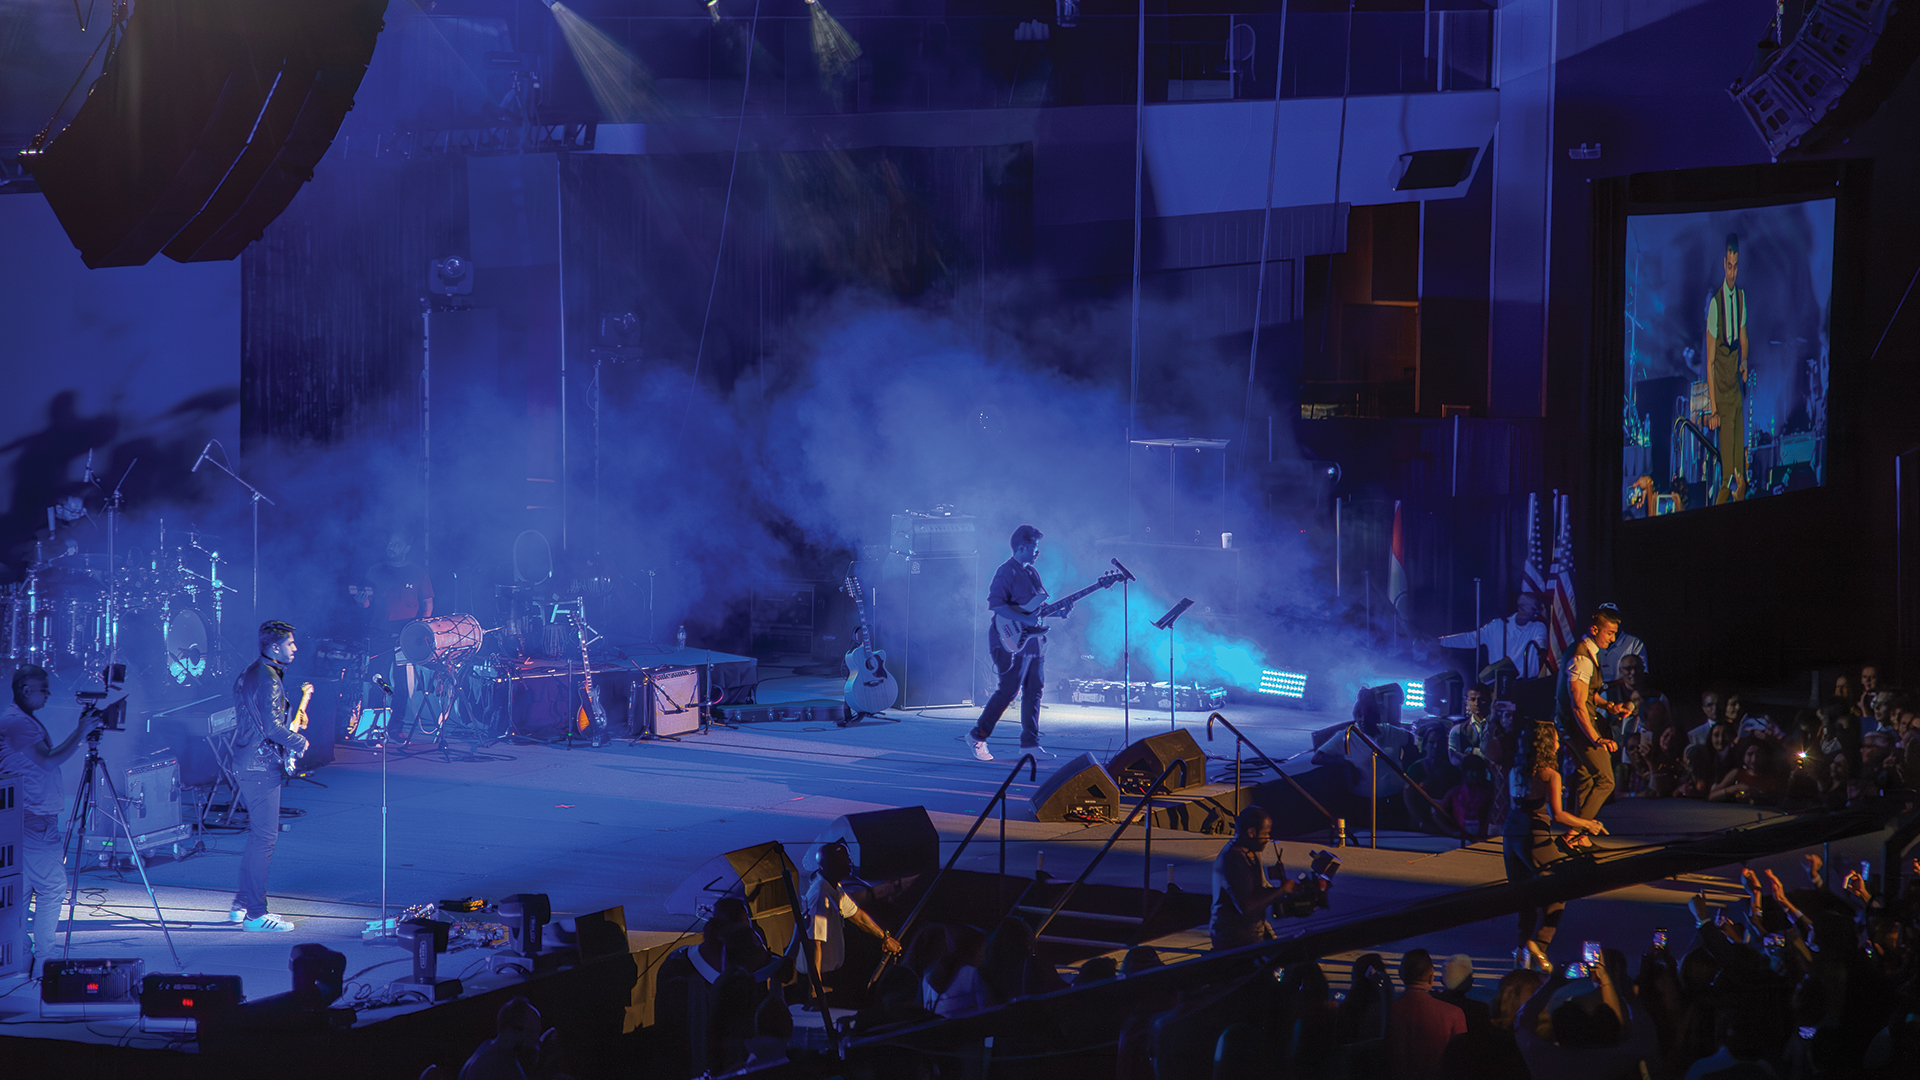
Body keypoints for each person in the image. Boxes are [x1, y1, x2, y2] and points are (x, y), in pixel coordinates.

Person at [0, 664, 103, 972]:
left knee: (22, 891)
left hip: (21, 818)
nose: (48, 694)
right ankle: (46, 959)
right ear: (25, 690)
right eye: (43, 689)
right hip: (33, 820)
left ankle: (20, 958)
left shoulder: (17, 719)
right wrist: (81, 731)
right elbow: (48, 761)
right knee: (52, 888)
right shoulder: (18, 723)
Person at [228, 620, 309, 932]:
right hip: (260, 766)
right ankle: (255, 914)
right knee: (264, 839)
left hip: (248, 761)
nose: (295, 648)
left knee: (257, 837)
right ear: (275, 647)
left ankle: (242, 904)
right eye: (290, 643)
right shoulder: (269, 679)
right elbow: (272, 728)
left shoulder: (253, 671)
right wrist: (299, 742)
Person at [1506, 721, 1607, 969]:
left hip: (1511, 835)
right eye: (1555, 738)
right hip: (1534, 836)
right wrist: (1587, 824)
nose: (1559, 742)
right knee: (1560, 888)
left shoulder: (1515, 770)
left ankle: (1521, 953)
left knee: (1524, 896)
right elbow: (1557, 815)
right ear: (1546, 744)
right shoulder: (1549, 774)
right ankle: (1539, 946)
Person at [967, 524, 1071, 762]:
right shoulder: (1006, 572)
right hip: (1009, 640)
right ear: (1022, 547)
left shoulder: (1032, 573)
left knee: (1034, 691)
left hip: (1034, 644)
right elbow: (996, 605)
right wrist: (1025, 619)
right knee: (1008, 691)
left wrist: (1059, 612)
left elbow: (1037, 610)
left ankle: (1030, 745)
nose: (1038, 552)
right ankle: (976, 736)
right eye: (1035, 547)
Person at [796, 841, 900, 1000]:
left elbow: (858, 917)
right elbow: (813, 945)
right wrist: (815, 988)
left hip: (829, 974)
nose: (850, 863)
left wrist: (885, 937)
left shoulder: (835, 889)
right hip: (820, 980)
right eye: (845, 861)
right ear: (832, 865)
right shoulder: (820, 896)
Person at [1208, 805, 1322, 950]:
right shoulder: (1233, 859)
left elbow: (1260, 889)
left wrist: (1292, 891)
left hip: (1253, 932)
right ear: (1251, 832)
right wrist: (1281, 890)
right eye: (1266, 833)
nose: (1268, 838)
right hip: (1234, 938)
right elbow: (1247, 907)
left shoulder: (1252, 852)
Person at [354, 532, 434, 736]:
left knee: (402, 685)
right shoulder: (375, 571)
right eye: (390, 543)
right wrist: (361, 601)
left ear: (407, 548)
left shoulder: (417, 572)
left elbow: (427, 604)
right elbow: (367, 604)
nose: (391, 547)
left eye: (397, 544)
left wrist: (418, 631)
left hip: (405, 638)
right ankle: (373, 729)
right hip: (379, 635)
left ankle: (396, 728)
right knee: (377, 681)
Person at [1555, 607, 1627, 821]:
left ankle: (1579, 832)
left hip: (1574, 726)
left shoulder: (1588, 652)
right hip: (1577, 727)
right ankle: (1577, 831)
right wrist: (1596, 738)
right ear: (1595, 629)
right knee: (1606, 780)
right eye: (1609, 633)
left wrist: (1608, 706)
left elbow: (1587, 693)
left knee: (1586, 776)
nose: (1612, 639)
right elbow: (1578, 705)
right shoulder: (1581, 658)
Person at [1705, 232, 1750, 504]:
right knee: (1728, 477)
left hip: (1736, 394)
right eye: (1729, 266)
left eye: (1736, 267)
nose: (1732, 273)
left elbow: (1744, 339)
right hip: (1721, 396)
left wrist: (1744, 361)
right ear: (1724, 263)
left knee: (1740, 475)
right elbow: (1710, 362)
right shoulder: (1715, 305)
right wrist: (1713, 409)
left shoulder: (1742, 299)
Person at [1313, 689, 1414, 798]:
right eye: (1359, 716)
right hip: (1363, 798)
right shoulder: (1347, 736)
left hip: (1397, 794)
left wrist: (1408, 767)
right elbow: (1317, 757)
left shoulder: (1390, 732)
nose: (1363, 720)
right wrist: (1347, 763)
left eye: (1368, 715)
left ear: (1376, 716)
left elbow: (1410, 739)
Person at [1387, 948, 1467, 1079]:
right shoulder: (1454, 1013)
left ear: (1401, 974)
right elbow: (1460, 1061)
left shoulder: (1388, 1011)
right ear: (1431, 978)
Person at [1438, 592, 1553, 678]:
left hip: (1527, 684)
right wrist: (1442, 641)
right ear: (1521, 608)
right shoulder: (1497, 626)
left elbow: (1541, 644)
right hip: (1499, 682)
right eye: (1532, 608)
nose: (1535, 613)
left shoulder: (1538, 627)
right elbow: (1471, 639)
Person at [458, 996, 564, 1080]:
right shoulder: (501, 1065)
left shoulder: (487, 1047)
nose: (535, 1041)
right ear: (513, 1031)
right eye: (532, 1033)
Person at [1447, 685, 1493, 768]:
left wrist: (1471, 752)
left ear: (1489, 700)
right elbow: (1454, 758)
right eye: (1472, 699)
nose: (1476, 703)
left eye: (1482, 699)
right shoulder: (1458, 730)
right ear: (1467, 701)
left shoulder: (1497, 726)